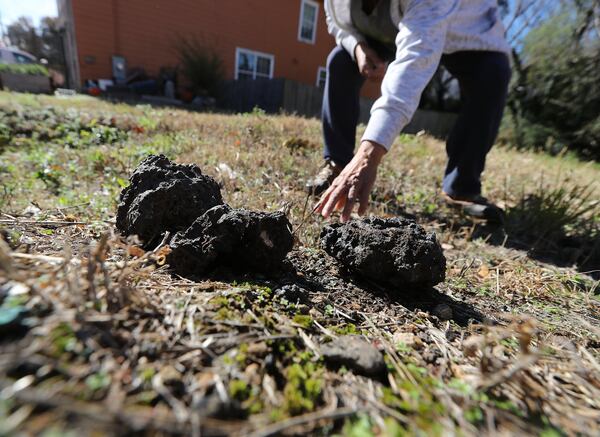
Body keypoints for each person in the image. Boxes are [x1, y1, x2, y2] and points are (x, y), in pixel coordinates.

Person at [309, 0, 512, 223]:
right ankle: (337, 164)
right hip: (393, 29)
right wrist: (357, 46)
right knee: (340, 60)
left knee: (492, 75)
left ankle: (461, 188)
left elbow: (415, 62)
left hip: (464, 31)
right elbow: (337, 22)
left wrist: (369, 154)